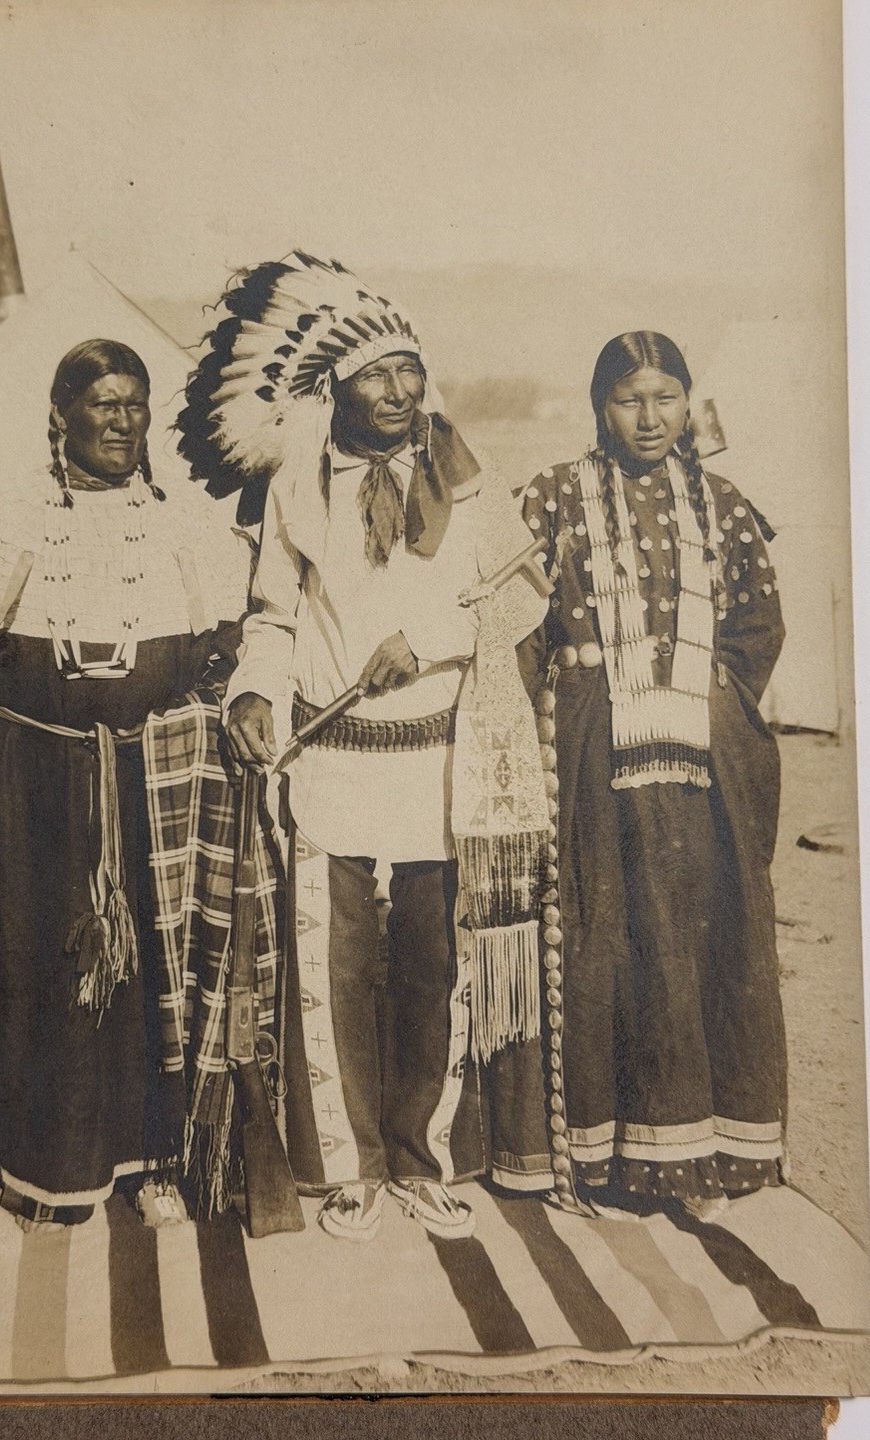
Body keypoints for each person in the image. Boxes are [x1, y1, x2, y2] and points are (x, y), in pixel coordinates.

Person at [178, 252, 559, 1242]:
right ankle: (349, 1167)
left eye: (408, 371)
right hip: (334, 764)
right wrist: (258, 693)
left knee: (433, 965)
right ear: (335, 390)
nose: (397, 391)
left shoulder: (467, 482)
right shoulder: (296, 490)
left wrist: (427, 644)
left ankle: (423, 1156)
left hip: (440, 764)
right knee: (338, 967)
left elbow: (518, 594)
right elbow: (270, 615)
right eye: (375, 376)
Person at [0, 339, 252, 1229]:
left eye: (135, 405)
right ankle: (49, 1170)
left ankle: (153, 1160)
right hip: (32, 786)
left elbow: (225, 658)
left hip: (155, 783)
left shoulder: (185, 527)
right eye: (103, 403)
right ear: (61, 414)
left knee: (154, 959)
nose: (121, 421)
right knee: (48, 972)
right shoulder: (2, 524)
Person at [520, 330, 788, 1220]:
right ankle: (610, 1156)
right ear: (600, 406)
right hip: (595, 756)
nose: (649, 418)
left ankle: (711, 1151)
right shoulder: (554, 498)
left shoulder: (722, 504)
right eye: (630, 400)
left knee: (706, 936)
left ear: (687, 402)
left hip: (703, 767)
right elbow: (522, 630)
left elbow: (758, 623)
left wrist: (706, 691)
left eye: (666, 397)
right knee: (611, 931)